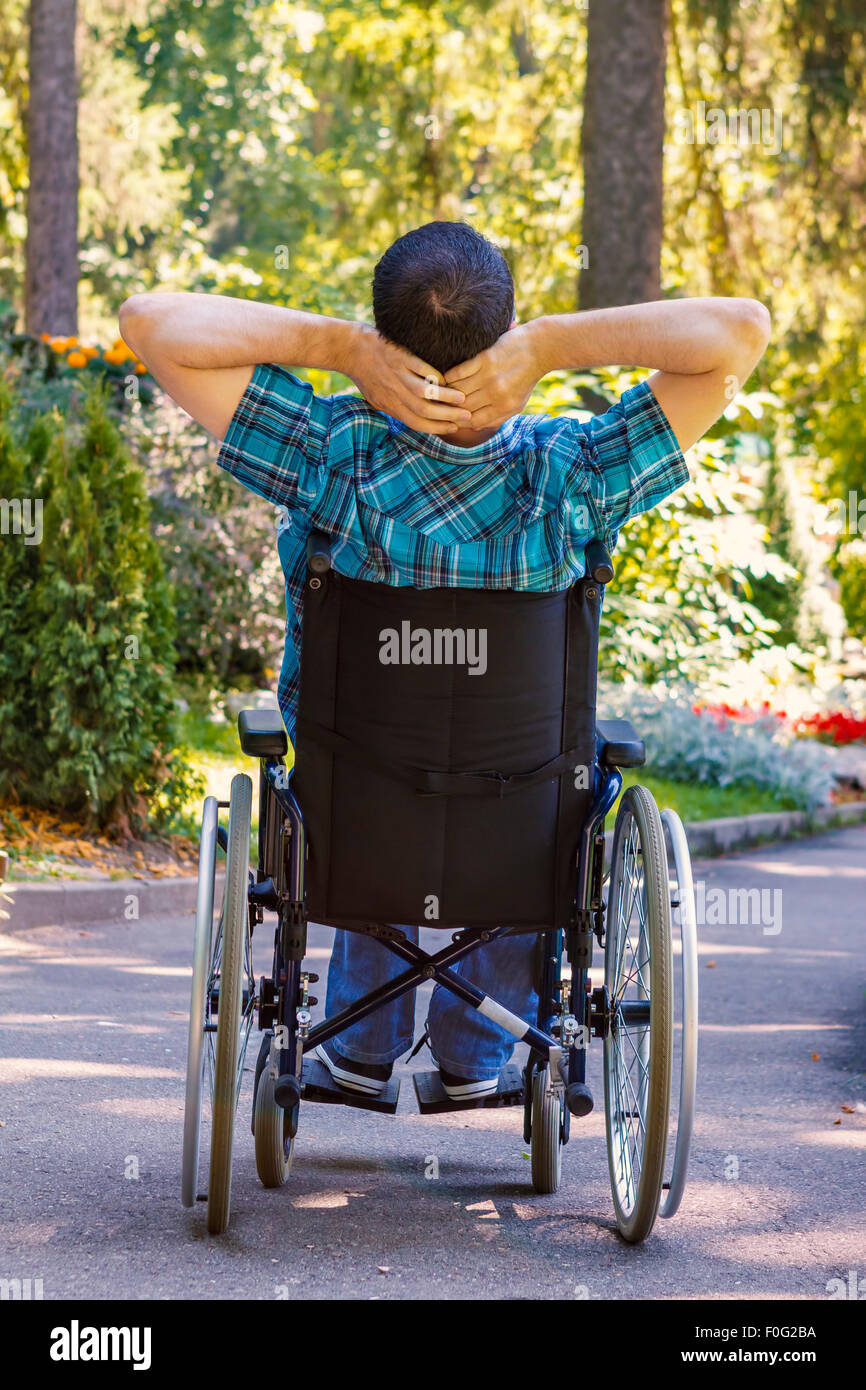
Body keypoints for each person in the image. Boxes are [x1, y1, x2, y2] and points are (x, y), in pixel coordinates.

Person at [119, 220, 770, 1099]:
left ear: (387, 335)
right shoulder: (572, 475)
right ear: (502, 334)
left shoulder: (330, 456)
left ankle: (359, 1048)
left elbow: (149, 320)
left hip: (354, 821)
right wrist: (547, 347)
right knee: (531, 799)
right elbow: (742, 331)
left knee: (371, 774)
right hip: (523, 826)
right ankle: (478, 1056)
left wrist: (342, 350)